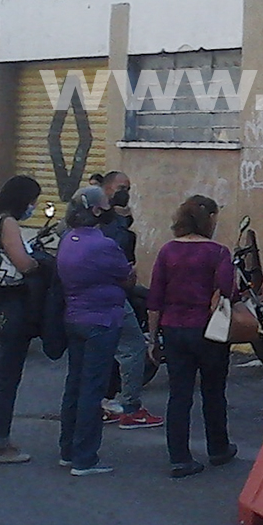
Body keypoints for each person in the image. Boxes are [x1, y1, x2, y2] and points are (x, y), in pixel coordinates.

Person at [146, 195, 238, 478]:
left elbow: (155, 299)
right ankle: (218, 448)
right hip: (208, 329)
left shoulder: (167, 251)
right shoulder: (218, 252)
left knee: (179, 394)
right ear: (208, 219)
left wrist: (153, 338)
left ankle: (180, 457)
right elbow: (227, 290)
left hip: (174, 329)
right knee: (213, 391)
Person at [57, 188, 135, 476]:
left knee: (75, 385)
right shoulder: (103, 245)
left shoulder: (68, 239)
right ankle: (85, 458)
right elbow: (126, 276)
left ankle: (68, 450)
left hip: (74, 318)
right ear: (96, 211)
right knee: (92, 389)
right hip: (101, 321)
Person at [97, 170, 161, 429]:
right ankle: (130, 408)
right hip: (110, 297)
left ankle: (101, 401)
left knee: (101, 353)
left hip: (88, 301)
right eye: (121, 187)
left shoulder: (90, 222)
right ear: (107, 189)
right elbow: (122, 263)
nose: (125, 193)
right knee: (133, 348)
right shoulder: (112, 227)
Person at [0, 176, 43, 465]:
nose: (34, 207)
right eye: (33, 200)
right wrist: (37, 262)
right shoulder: (7, 223)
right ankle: (0, 443)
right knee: (6, 375)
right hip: (10, 301)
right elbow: (22, 263)